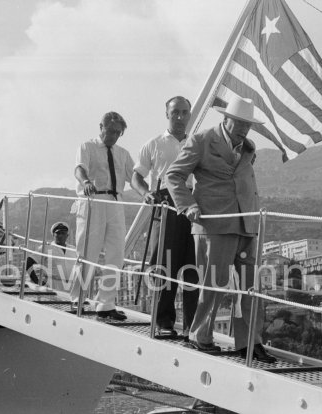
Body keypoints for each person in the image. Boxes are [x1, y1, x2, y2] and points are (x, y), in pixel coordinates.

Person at [166, 95, 276, 362]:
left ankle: (249, 343)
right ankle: (200, 336)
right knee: (213, 285)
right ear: (225, 119)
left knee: (250, 288)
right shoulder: (202, 140)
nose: (243, 129)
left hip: (246, 223)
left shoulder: (248, 147)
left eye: (247, 125)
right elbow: (174, 175)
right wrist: (188, 206)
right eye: (238, 123)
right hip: (213, 224)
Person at [132, 96, 199, 339]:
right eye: (175, 113)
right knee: (163, 265)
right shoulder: (153, 144)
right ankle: (164, 322)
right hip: (164, 203)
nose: (180, 117)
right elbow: (136, 176)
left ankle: (193, 326)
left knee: (194, 267)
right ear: (167, 115)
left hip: (193, 204)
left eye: (184, 113)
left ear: (189, 115)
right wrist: (145, 193)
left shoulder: (197, 143)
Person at [71, 111, 135, 321]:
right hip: (93, 200)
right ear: (101, 127)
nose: (114, 136)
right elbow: (79, 169)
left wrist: (147, 192)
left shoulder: (123, 153)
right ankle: (77, 299)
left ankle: (106, 303)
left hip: (115, 202)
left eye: (118, 133)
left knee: (116, 253)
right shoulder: (87, 147)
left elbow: (133, 177)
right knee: (87, 251)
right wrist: (86, 182)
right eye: (111, 131)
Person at [26, 222, 77, 294]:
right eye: (58, 233)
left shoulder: (73, 249)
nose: (60, 235)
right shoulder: (46, 248)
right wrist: (36, 281)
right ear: (53, 234)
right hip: (53, 285)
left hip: (72, 286)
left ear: (67, 235)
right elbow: (28, 262)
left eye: (63, 233)